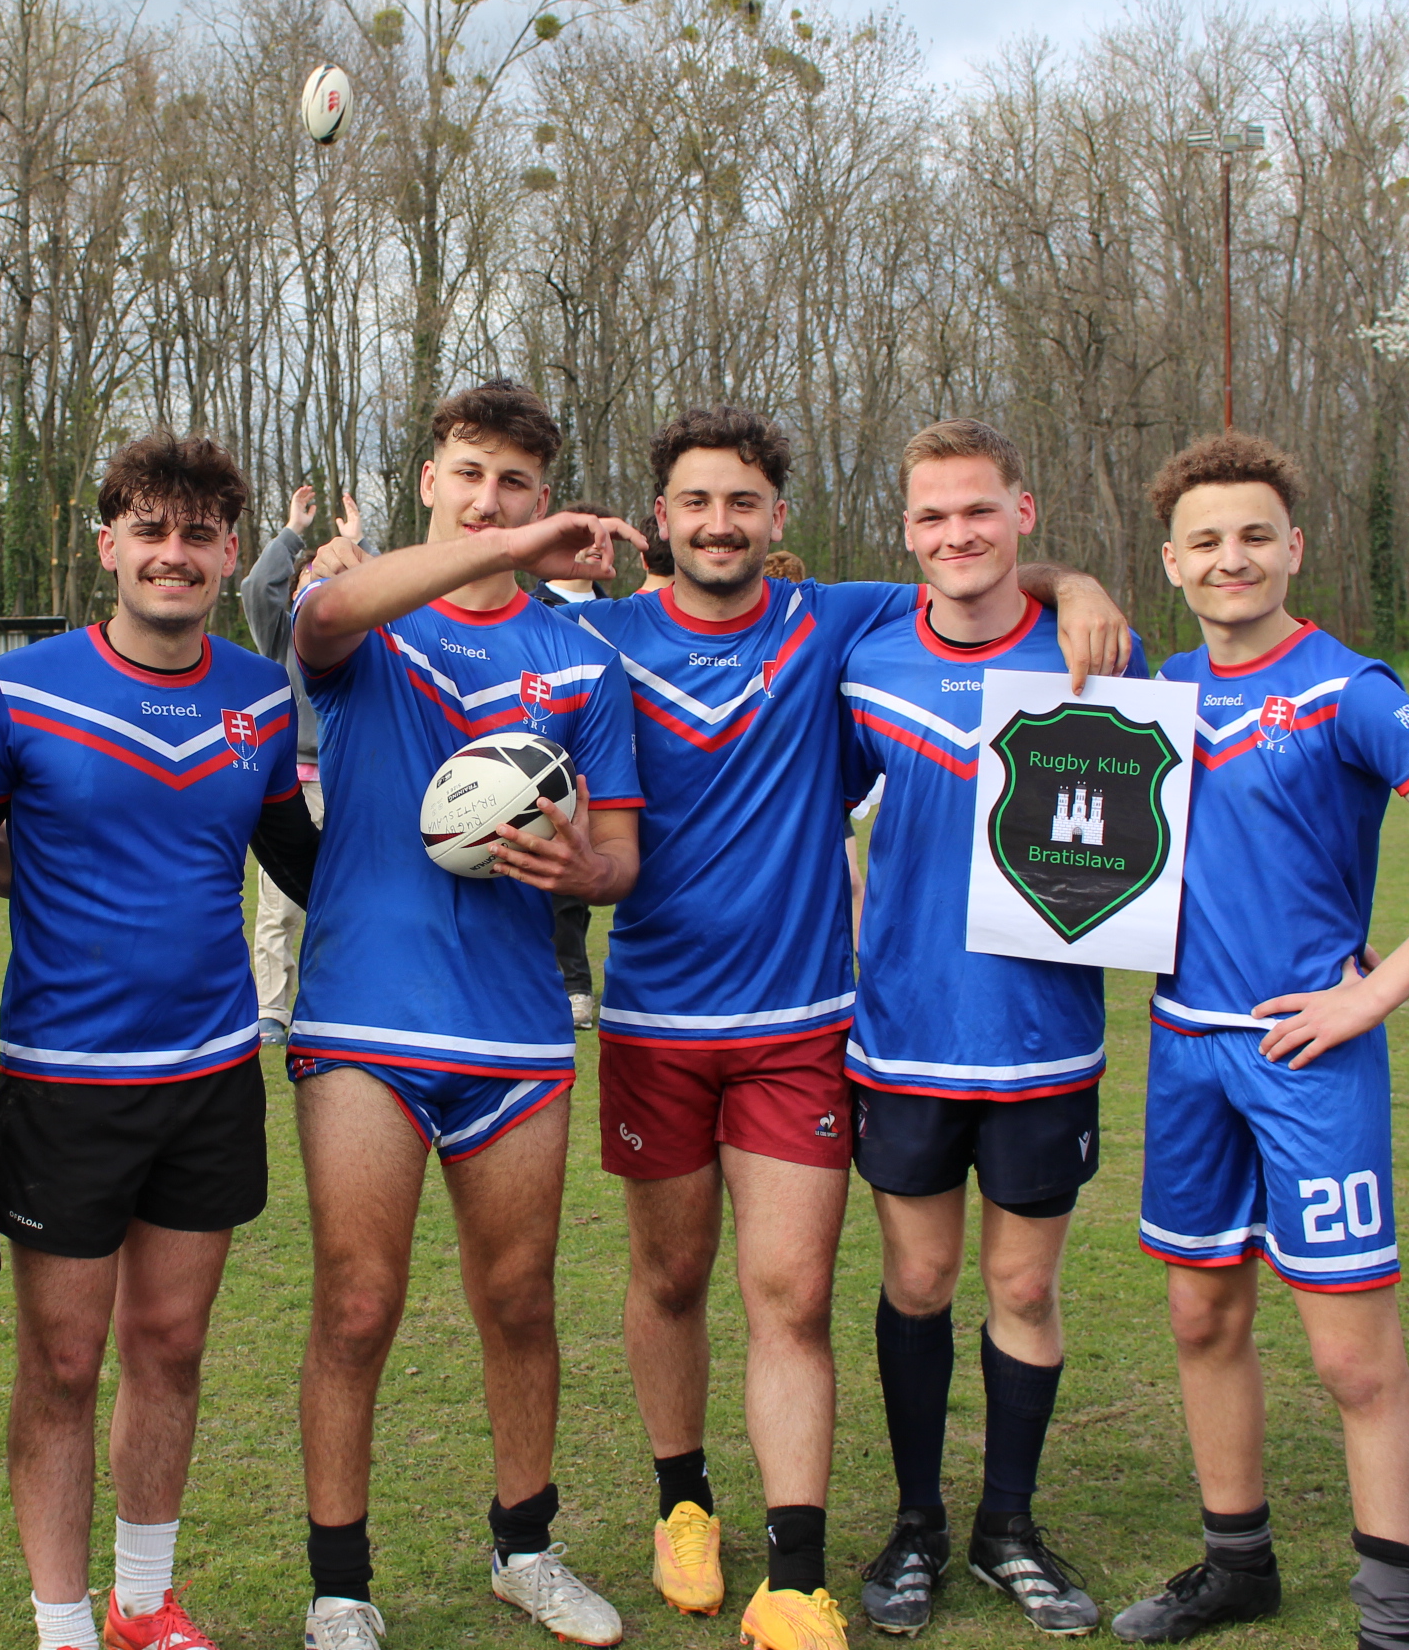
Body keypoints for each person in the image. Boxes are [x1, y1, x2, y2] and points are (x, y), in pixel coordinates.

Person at [570, 406, 1128, 1650]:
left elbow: (975, 574)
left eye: (744, 502)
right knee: (669, 1277)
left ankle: (796, 1575)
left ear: (780, 518)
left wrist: (1079, 581)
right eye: (696, 502)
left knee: (793, 1293)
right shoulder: (599, 639)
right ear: (660, 519)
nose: (720, 523)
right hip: (654, 1019)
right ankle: (682, 1502)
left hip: (807, 1022)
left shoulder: (842, 622)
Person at [1109, 432, 1409, 1648]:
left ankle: (1390, 1625)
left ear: (1294, 549)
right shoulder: (1156, 694)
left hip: (1308, 1060)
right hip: (1185, 1052)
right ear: (1171, 563)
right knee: (1203, 1319)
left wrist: (1371, 994)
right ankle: (1236, 1567)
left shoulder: (1348, 688)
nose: (1232, 558)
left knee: (1354, 1361)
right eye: (1205, 541)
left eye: (1255, 535)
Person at [287, 378, 646, 1650]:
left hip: (514, 1032)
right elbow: (322, 617)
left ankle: (526, 1551)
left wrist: (581, 869)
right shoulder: (370, 617)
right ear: (430, 481)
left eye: (517, 483)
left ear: (545, 496)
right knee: (356, 1304)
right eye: (471, 474)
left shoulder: (583, 660)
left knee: (520, 1299)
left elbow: (621, 858)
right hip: (364, 1027)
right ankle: (341, 1588)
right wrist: (511, 550)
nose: (490, 499)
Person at [0, 430, 318, 1650]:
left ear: (230, 553)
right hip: (66, 1084)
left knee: (170, 1347)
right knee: (64, 1364)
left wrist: (464, 868)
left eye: (198, 535)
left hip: (211, 1076)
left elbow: (302, 859)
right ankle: (61, 1624)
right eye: (151, 531)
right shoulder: (19, 691)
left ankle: (141, 1605)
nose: (174, 554)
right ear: (108, 545)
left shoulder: (259, 696)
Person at [837, 419, 1145, 1636]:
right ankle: (916, 1521)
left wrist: (1082, 589)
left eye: (979, 509)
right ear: (907, 530)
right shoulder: (867, 661)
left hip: (1043, 1038)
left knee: (1023, 1285)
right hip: (906, 1033)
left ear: (1024, 512)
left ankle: (1006, 1524)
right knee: (917, 1280)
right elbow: (812, 811)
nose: (956, 534)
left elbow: (1167, 832)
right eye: (932, 515)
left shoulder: (1099, 651)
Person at [242, 484, 366, 1048]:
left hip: (352, 785)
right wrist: (294, 530)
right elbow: (256, 586)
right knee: (279, 907)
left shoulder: (358, 639)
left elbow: (386, 593)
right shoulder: (282, 634)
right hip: (293, 788)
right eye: (308, 580)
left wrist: (354, 546)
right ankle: (271, 1008)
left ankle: (345, 999)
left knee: (354, 896)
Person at [527, 500, 615, 1031]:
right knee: (548, 889)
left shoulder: (620, 614)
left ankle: (580, 985)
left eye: (602, 537)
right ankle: (570, 985)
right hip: (537, 771)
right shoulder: (528, 608)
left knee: (588, 886)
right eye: (582, 536)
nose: (593, 547)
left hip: (604, 767)